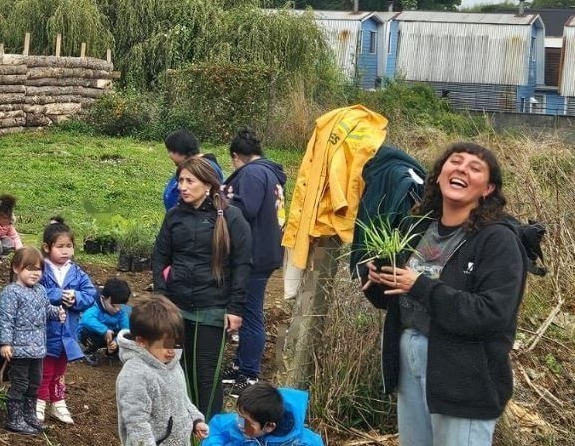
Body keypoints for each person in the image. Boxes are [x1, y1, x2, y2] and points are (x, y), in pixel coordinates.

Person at [362, 143, 528, 446]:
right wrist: (377, 279)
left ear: (488, 188)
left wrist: (420, 285)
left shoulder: (498, 240)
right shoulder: (420, 228)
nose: (462, 169)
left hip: (464, 377)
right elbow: (399, 300)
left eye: (475, 168)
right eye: (456, 162)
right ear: (439, 175)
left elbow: (492, 313)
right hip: (410, 362)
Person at [153, 156, 252, 419]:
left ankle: (208, 430)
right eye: (180, 181)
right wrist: (162, 296)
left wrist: (235, 308)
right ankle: (182, 427)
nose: (182, 187)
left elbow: (243, 265)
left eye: (189, 181)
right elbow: (160, 256)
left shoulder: (231, 218)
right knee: (177, 370)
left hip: (213, 307)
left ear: (208, 185)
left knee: (207, 374)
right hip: (177, 307)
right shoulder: (174, 217)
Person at [221, 128, 286, 389]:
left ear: (237, 156)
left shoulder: (252, 173)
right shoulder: (271, 172)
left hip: (255, 254)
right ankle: (241, 364)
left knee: (249, 311)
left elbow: (245, 208)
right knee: (250, 309)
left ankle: (248, 372)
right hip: (269, 249)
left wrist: (223, 199)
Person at [116, 296, 208, 446]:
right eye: (165, 345)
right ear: (142, 342)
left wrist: (195, 420)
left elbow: (182, 398)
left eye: (175, 342)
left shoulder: (171, 362)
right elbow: (136, 423)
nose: (172, 350)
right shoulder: (135, 375)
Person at [37, 217, 98, 426]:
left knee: (60, 369)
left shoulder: (76, 271)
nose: (65, 251)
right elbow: (35, 291)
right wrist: (58, 295)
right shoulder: (41, 269)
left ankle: (58, 401)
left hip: (68, 333)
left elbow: (91, 293)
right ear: (47, 247)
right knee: (45, 368)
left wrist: (76, 298)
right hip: (46, 331)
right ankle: (40, 403)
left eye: (69, 246)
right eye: (60, 246)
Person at [0, 246, 62, 435]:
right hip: (19, 349)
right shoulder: (11, 292)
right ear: (17, 268)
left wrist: (57, 313)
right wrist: (6, 343)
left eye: (39, 269)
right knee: (20, 383)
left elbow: (46, 309)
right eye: (30, 269)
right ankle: (14, 418)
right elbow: (6, 320)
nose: (35, 273)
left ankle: (29, 415)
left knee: (35, 382)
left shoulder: (41, 290)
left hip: (38, 348)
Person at [201, 383, 323, 446]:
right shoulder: (245, 421)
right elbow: (217, 428)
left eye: (246, 422)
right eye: (238, 416)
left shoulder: (303, 443)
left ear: (269, 426)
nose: (239, 424)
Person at [163, 130, 225, 211]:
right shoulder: (191, 166)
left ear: (179, 150)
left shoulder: (203, 169)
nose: (169, 156)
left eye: (169, 151)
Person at [79, 277, 132, 366]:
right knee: (88, 332)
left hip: (109, 334)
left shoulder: (121, 310)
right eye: (113, 306)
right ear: (103, 298)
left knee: (124, 335)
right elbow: (86, 319)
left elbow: (125, 328)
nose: (117, 310)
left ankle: (112, 351)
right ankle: (87, 351)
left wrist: (116, 341)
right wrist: (104, 330)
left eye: (120, 306)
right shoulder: (94, 306)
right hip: (93, 333)